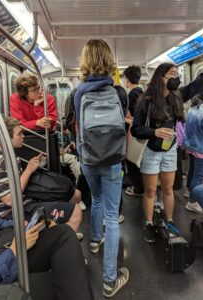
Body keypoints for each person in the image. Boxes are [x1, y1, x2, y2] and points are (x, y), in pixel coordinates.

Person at [131, 50, 203, 243]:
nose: (176, 78)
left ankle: (170, 220)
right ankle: (148, 223)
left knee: (168, 189)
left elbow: (200, 82)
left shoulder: (177, 96)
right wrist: (154, 132)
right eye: (172, 74)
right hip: (151, 151)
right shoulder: (146, 102)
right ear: (160, 78)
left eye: (177, 74)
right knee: (150, 192)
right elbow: (136, 130)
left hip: (170, 150)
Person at [74, 39, 129, 298]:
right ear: (109, 60)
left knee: (95, 199)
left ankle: (95, 242)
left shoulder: (78, 93)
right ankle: (109, 280)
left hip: (88, 158)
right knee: (111, 215)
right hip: (112, 160)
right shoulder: (119, 93)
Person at [0, 117, 82, 234]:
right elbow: (10, 200)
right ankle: (63, 242)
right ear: (5, 138)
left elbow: (19, 181)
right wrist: (28, 170)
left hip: (26, 198)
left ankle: (61, 235)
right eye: (19, 134)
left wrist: (33, 165)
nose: (23, 136)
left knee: (75, 195)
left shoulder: (9, 153)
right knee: (76, 212)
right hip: (16, 211)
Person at [0, 214, 92, 300]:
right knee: (72, 276)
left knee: (63, 234)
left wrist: (17, 224)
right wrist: (15, 250)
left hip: (3, 246)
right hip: (2, 268)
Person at [123, 65, 144, 197]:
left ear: (127, 80)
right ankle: (141, 186)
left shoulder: (130, 95)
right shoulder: (143, 93)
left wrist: (125, 118)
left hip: (132, 132)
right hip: (142, 132)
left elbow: (130, 117)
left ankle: (138, 188)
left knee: (131, 161)